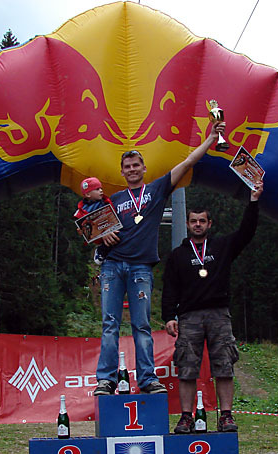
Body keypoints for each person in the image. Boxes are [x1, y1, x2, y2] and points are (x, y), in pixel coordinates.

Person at [93, 121, 227, 396]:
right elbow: (92, 228)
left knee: (141, 325)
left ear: (144, 168)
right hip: (112, 266)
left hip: (141, 268)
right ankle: (106, 380)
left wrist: (211, 138)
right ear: (122, 171)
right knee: (109, 325)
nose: (132, 169)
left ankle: (147, 379)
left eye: (136, 165)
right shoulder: (113, 199)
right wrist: (102, 235)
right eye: (127, 166)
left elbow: (187, 162)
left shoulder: (156, 190)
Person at [162, 179, 263, 432]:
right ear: (187, 224)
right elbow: (170, 288)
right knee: (186, 369)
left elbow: (247, 232)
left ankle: (226, 415)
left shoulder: (223, 247)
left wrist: (253, 202)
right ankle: (187, 417)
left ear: (209, 224)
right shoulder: (178, 255)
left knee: (224, 366)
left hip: (219, 314)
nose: (197, 224)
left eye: (202, 221)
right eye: (193, 221)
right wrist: (169, 316)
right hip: (189, 317)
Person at [74, 177, 111, 265]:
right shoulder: (82, 211)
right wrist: (81, 231)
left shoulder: (106, 201)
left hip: (111, 228)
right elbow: (81, 225)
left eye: (101, 188)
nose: (101, 191)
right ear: (88, 194)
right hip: (98, 235)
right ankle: (101, 251)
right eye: (97, 189)